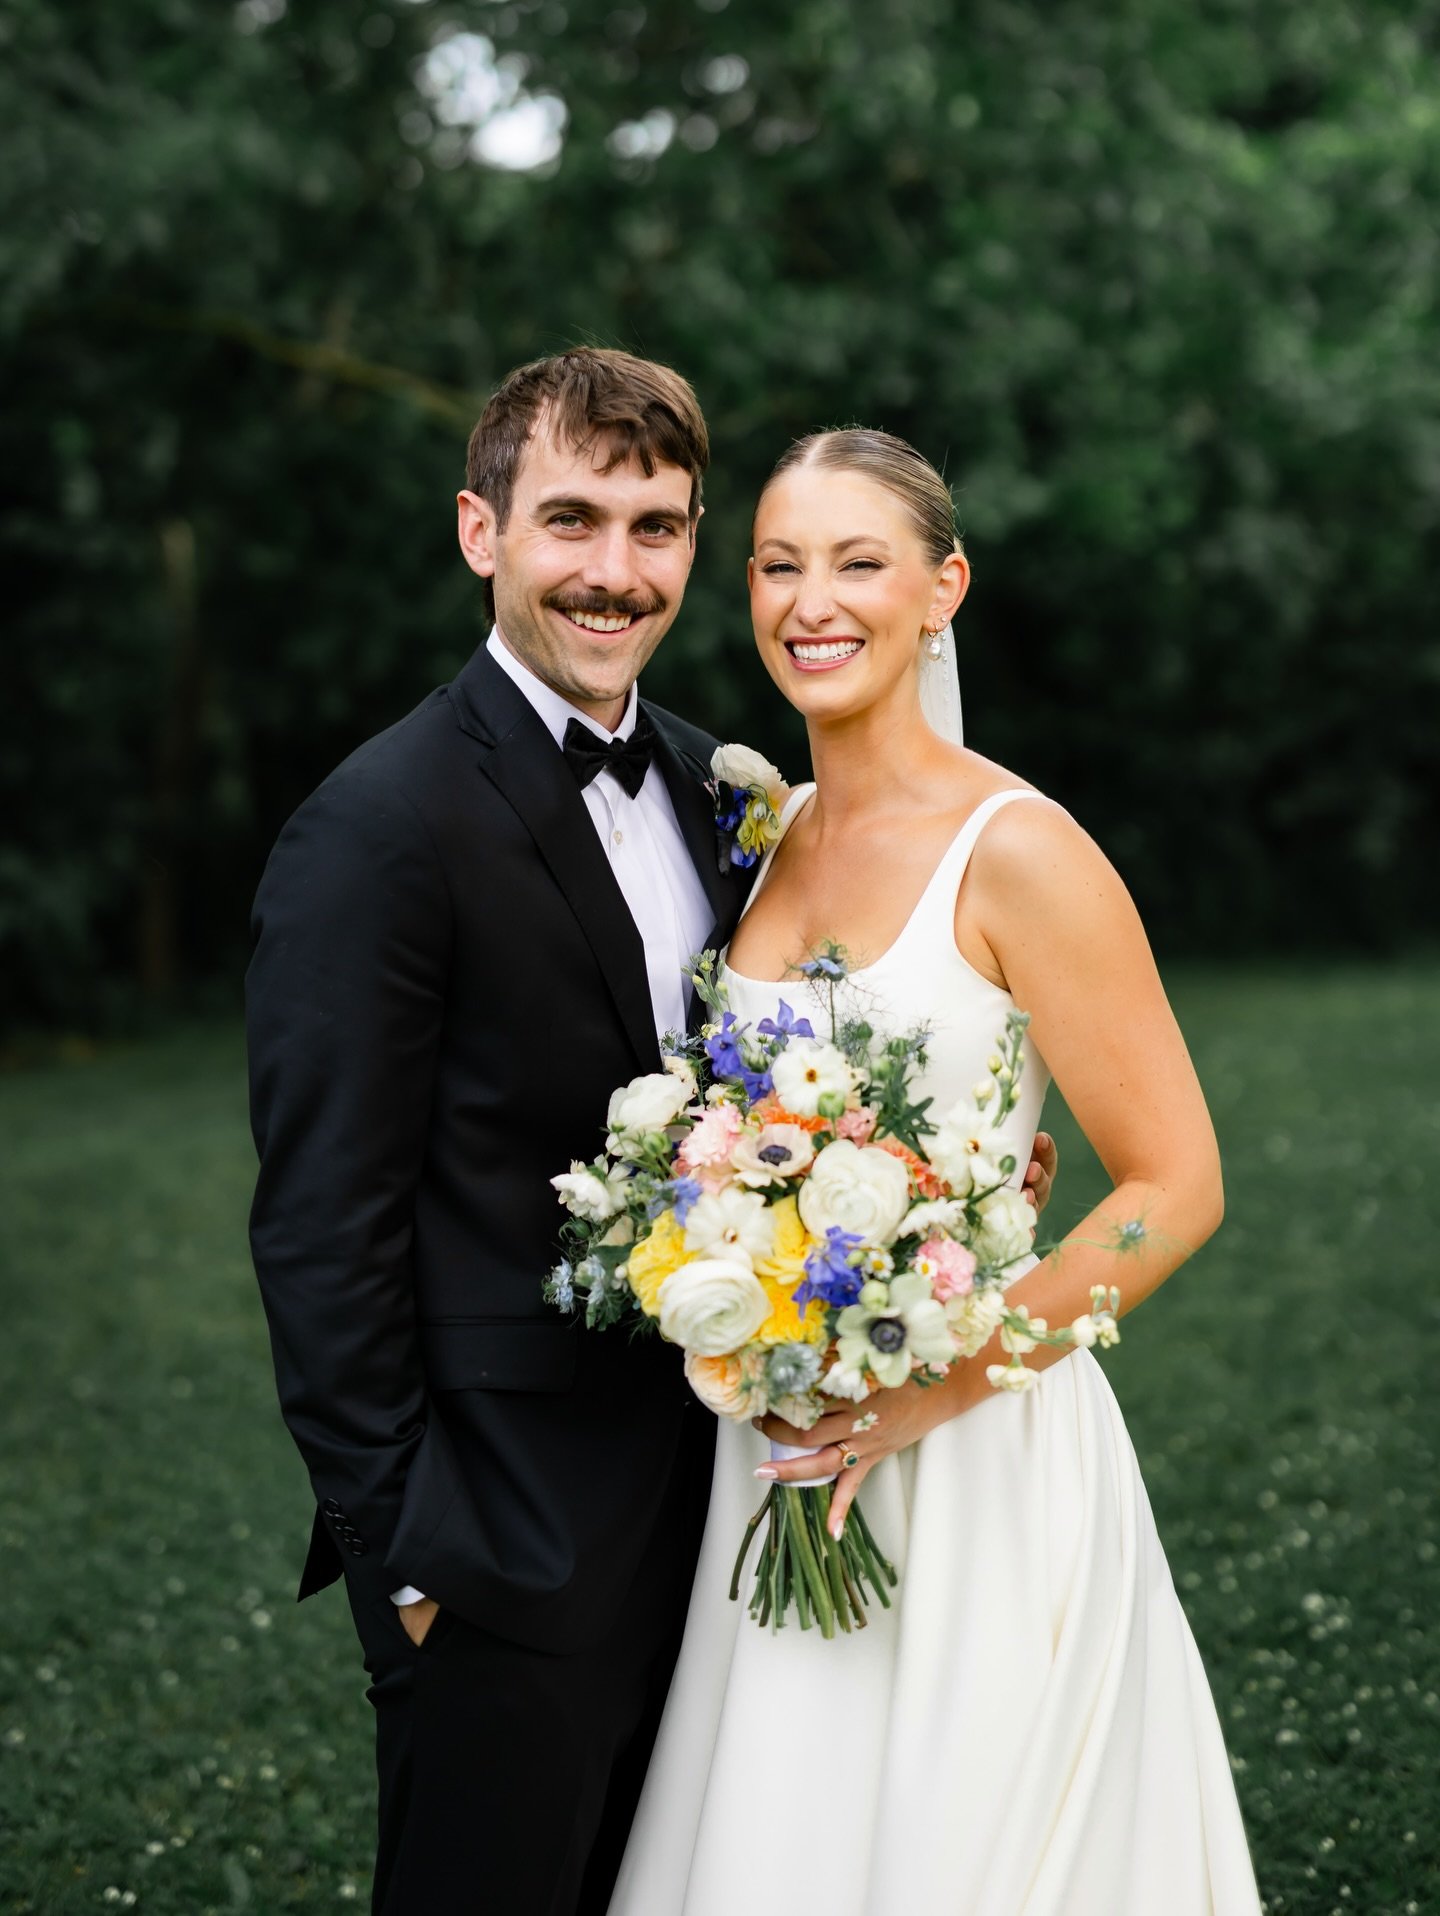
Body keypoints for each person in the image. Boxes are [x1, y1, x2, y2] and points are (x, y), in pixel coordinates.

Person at [245, 345, 1065, 1915]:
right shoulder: (377, 826)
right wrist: (407, 1563)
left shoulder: (724, 789)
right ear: (483, 533)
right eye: (571, 521)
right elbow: (318, 1225)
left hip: (725, 1513)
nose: (614, 573)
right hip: (500, 1548)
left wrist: (957, 1177)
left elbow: (786, 1081)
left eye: (657, 526)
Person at [607, 430, 1263, 1916]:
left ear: (941, 587)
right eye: (779, 563)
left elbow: (1177, 1180)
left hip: (974, 1459)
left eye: (857, 561)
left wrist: (928, 1389)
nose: (809, 600)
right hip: (772, 1454)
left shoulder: (1021, 850)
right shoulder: (766, 841)